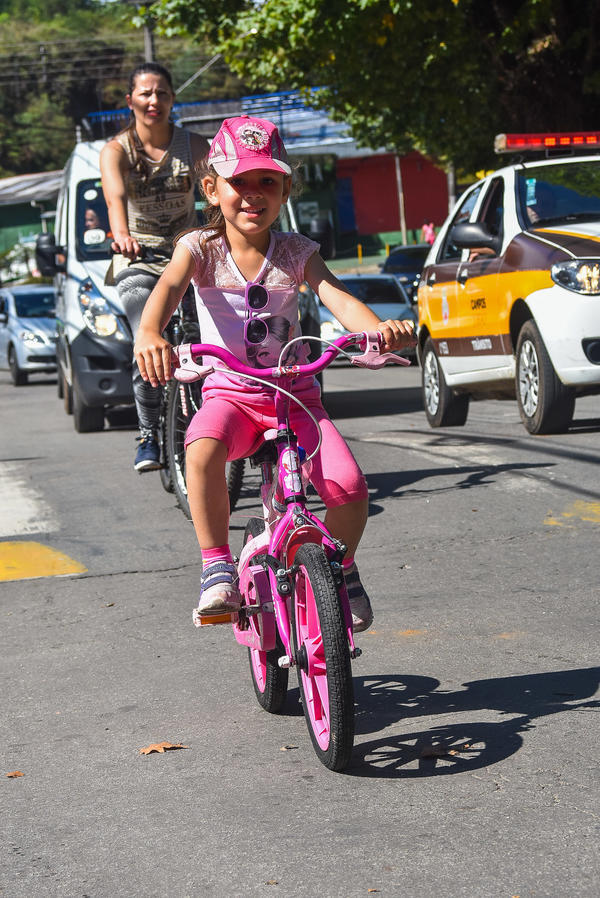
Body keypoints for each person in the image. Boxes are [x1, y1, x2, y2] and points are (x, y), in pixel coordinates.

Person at [133, 115, 416, 632]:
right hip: (231, 395)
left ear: (286, 189)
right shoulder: (199, 247)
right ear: (212, 189)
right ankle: (215, 563)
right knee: (201, 450)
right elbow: (169, 288)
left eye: (267, 182)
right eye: (238, 182)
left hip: (295, 398)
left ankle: (340, 568)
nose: (252, 195)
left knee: (350, 489)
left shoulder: (297, 252)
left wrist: (379, 331)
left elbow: (337, 298)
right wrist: (149, 331)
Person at [100, 62, 209, 472]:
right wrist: (122, 235)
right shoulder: (117, 151)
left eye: (162, 93)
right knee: (146, 340)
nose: (154, 101)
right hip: (138, 259)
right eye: (145, 93)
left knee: (214, 338)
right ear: (131, 101)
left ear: (171, 100)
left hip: (189, 256)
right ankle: (148, 434)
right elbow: (114, 201)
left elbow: (218, 193)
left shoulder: (194, 146)